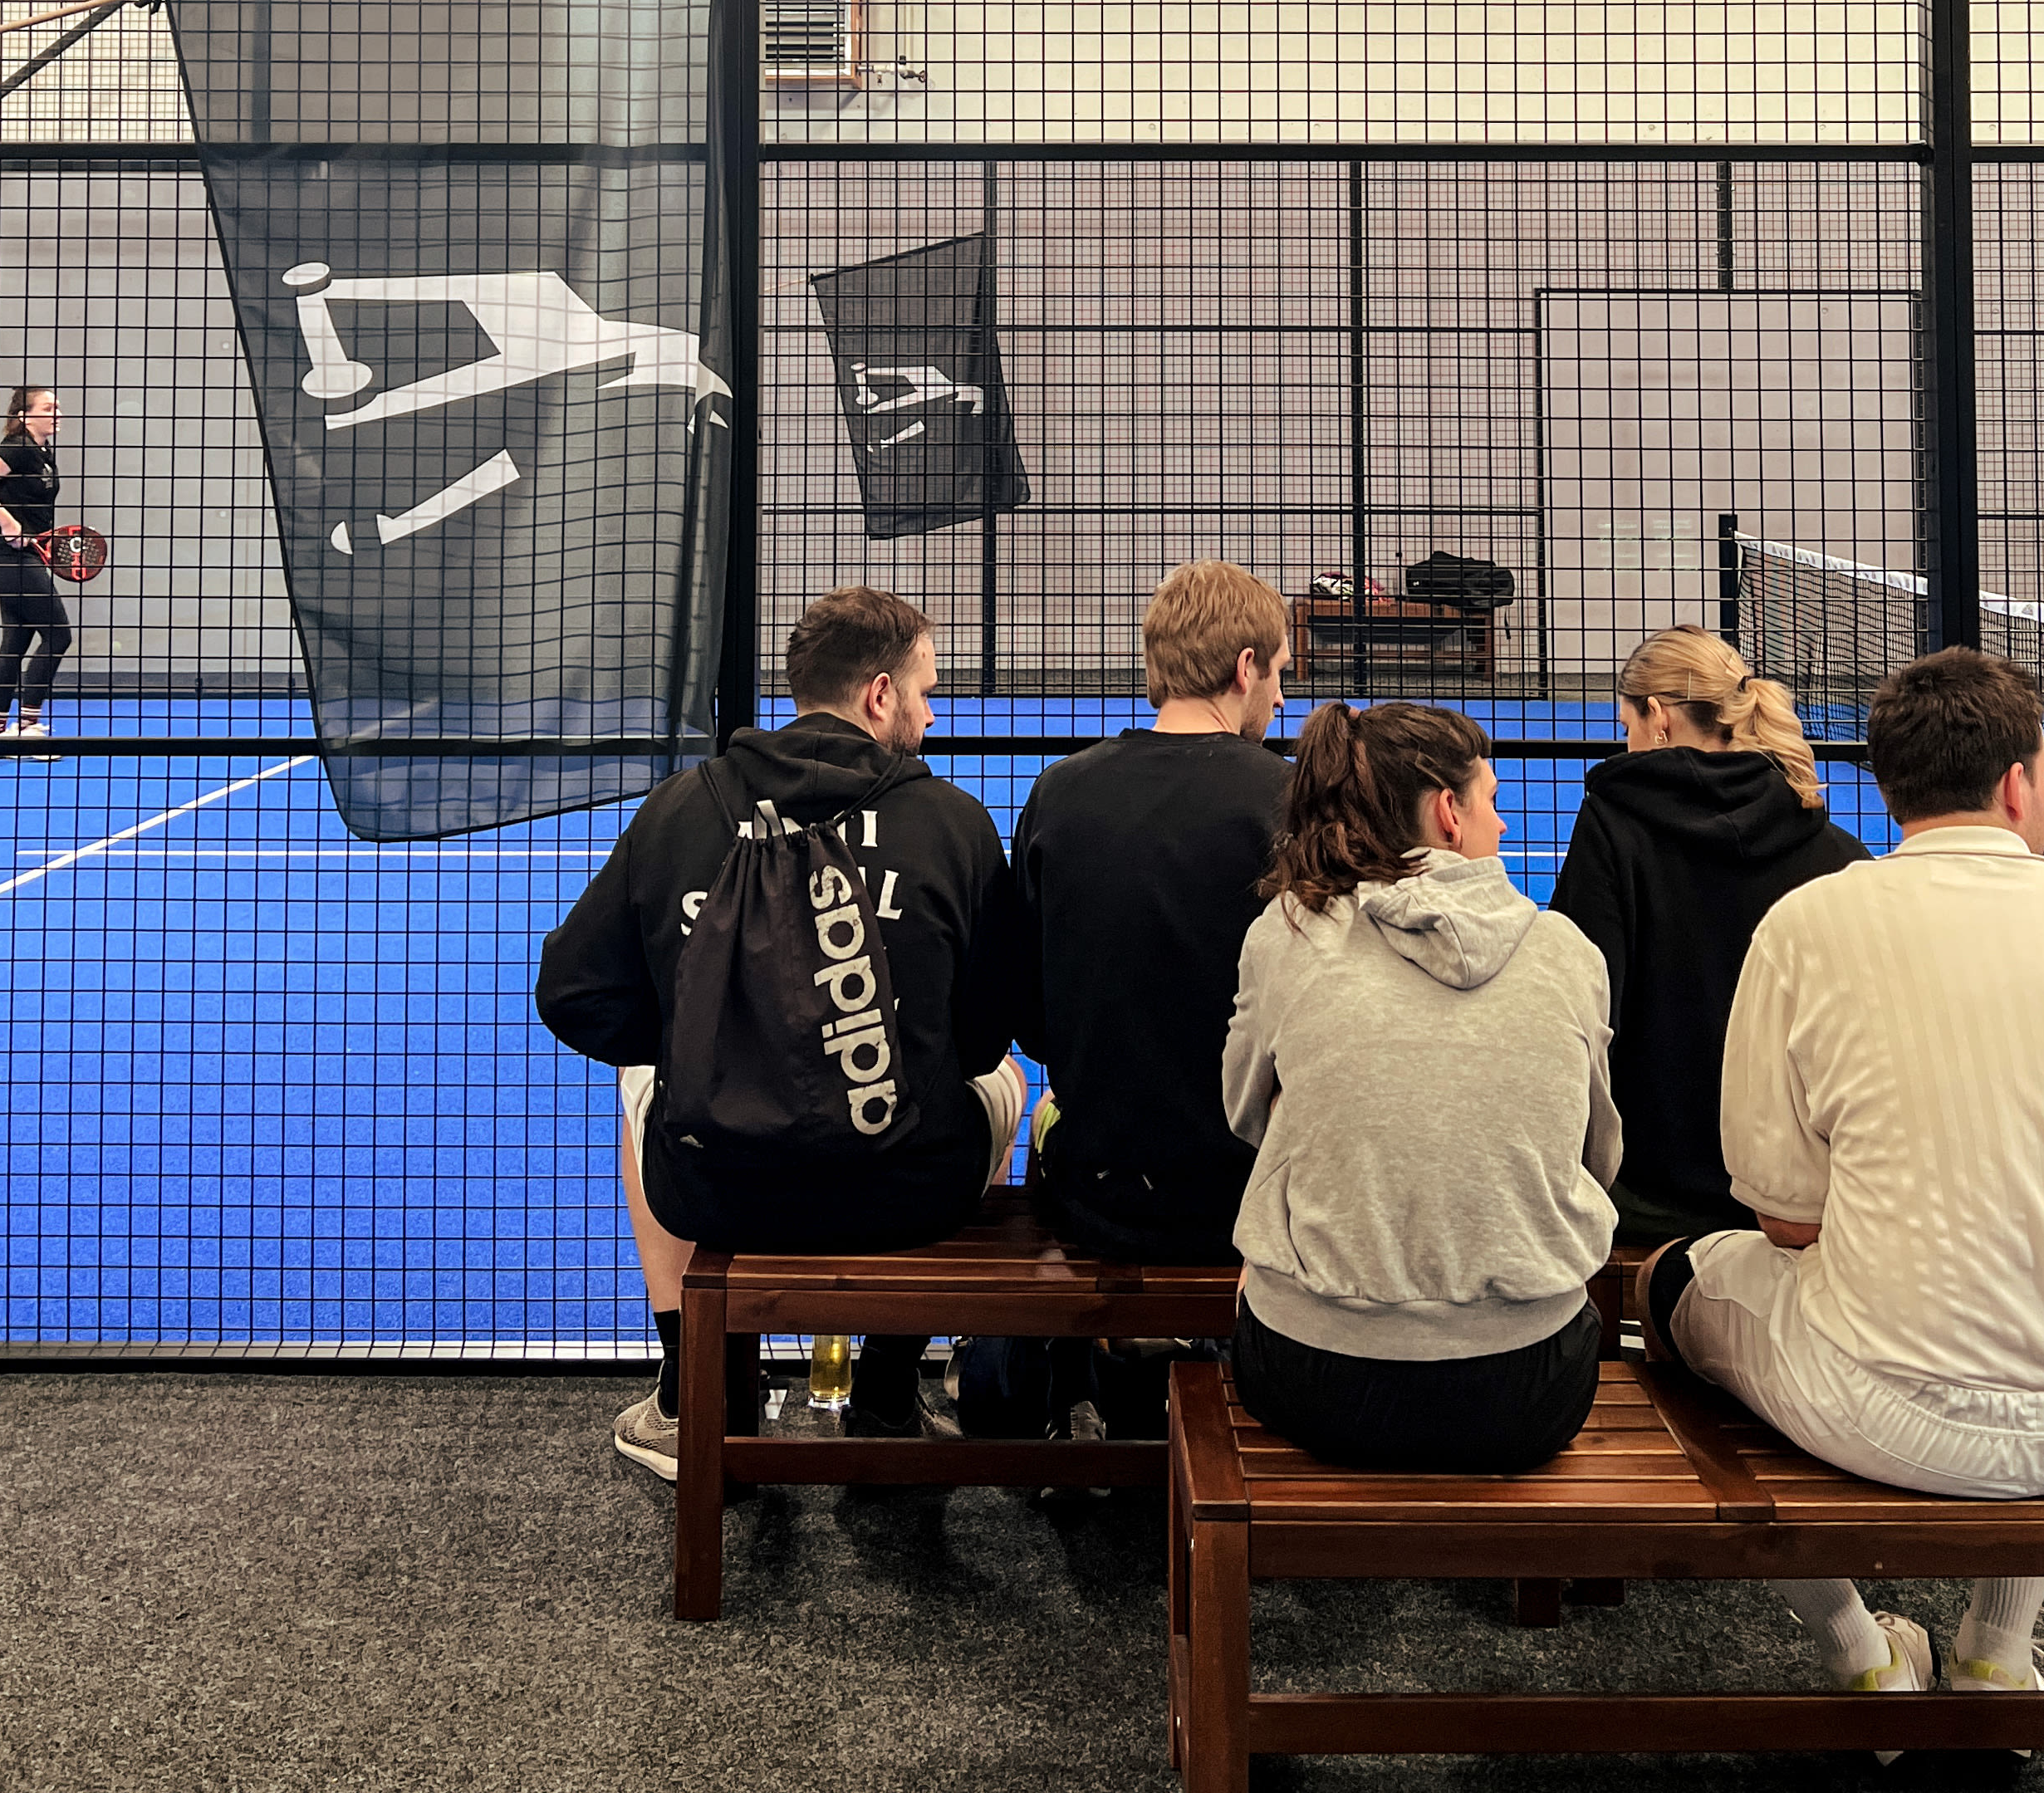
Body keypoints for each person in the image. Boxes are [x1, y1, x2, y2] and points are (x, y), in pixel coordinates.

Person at [1639, 647, 2044, 1715]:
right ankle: (2001, 1644)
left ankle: (1860, 1648)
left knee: (1675, 1282)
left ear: (1890, 787)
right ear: (2017, 784)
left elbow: (1782, 1217)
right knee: (2042, 1268)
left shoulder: (1809, 924)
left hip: (1894, 1413)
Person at [536, 587, 1024, 1480]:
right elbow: (989, 1039)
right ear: (878, 695)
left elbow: (572, 994)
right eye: (923, 689)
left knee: (643, 1079)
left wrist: (703, 1036)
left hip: (720, 1184)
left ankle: (697, 1392)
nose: (928, 709)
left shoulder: (681, 809)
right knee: (1006, 1086)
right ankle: (885, 1390)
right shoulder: (953, 824)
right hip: (910, 1190)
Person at [1222, 701, 1620, 1475]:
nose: (1500, 824)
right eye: (1493, 801)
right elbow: (1597, 1156)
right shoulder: (1566, 950)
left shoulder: (1288, 931)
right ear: (1448, 811)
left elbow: (1243, 1114)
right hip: (1528, 1386)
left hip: (1316, 1376)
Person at [1001, 558, 1292, 1262]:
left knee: (1039, 1104)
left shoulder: (1059, 792)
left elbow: (1031, 1021)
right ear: (1245, 667)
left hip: (1101, 1188)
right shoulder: (1289, 798)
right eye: (1282, 673)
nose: (1282, 697)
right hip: (1249, 1192)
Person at [1549, 626, 1862, 1245]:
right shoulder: (1832, 846)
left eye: (1629, 725)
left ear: (1658, 717)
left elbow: (1580, 997)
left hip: (1649, 1187)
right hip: (1801, 1188)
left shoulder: (1613, 823)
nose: (1629, 741)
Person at [0, 383, 70, 743]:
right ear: (23, 416)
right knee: (58, 634)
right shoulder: (19, 448)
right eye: (47, 409)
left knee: (16, 640)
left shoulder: (43, 452)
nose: (56, 413)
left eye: (57, 407)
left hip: (27, 556)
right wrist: (9, 524)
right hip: (4, 556)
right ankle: (27, 727)